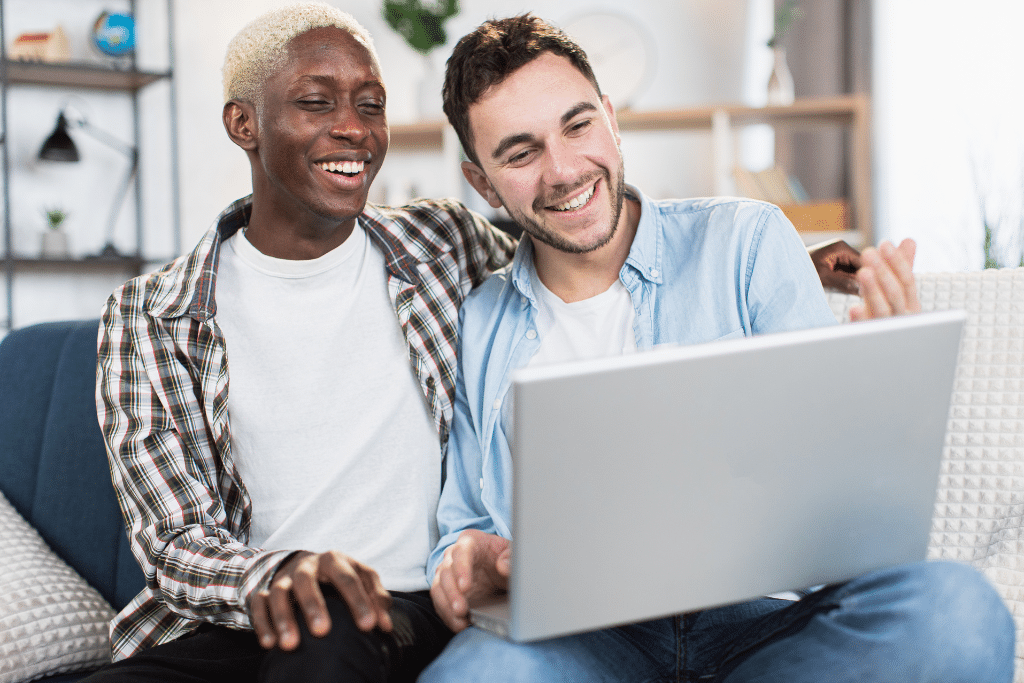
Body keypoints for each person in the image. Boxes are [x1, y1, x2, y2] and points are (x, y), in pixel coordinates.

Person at [420, 14, 1015, 683]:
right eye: (520, 153)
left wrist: (879, 388)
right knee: (477, 675)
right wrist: (463, 559)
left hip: (768, 627)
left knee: (957, 612)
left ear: (611, 122)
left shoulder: (747, 241)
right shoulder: (481, 319)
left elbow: (843, 494)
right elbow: (463, 527)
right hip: (583, 643)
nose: (563, 170)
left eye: (578, 124)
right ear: (483, 182)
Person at [87, 4, 517, 681]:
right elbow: (172, 538)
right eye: (316, 102)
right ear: (244, 124)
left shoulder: (444, 242)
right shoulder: (152, 312)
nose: (353, 128)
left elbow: (565, 270)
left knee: (327, 638)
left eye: (369, 105)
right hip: (237, 615)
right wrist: (284, 572)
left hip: (400, 607)